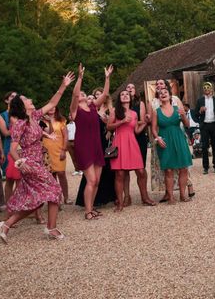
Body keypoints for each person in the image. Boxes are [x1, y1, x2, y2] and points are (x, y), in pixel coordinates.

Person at [0, 71, 75, 243]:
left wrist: (64, 85)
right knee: (54, 191)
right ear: (23, 106)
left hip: (38, 162)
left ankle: (6, 225)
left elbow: (53, 102)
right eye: (26, 99)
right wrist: (20, 163)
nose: (30, 99)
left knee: (38, 200)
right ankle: (51, 229)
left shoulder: (35, 116)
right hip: (30, 164)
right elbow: (13, 149)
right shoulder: (20, 124)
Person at [70, 65, 114, 220]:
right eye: (81, 93)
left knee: (97, 180)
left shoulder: (93, 107)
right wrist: (80, 77)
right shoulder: (75, 110)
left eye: (84, 93)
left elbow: (105, 94)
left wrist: (107, 77)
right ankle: (87, 211)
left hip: (96, 146)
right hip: (84, 146)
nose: (82, 94)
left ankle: (91, 207)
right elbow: (75, 95)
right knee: (92, 179)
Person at [108, 90, 147, 211]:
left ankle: (145, 198)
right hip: (119, 142)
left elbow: (135, 131)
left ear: (130, 98)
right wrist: (122, 121)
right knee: (120, 174)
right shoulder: (115, 111)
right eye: (122, 95)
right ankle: (120, 203)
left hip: (132, 142)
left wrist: (145, 122)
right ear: (120, 99)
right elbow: (109, 126)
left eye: (126, 94)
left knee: (141, 171)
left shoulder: (134, 113)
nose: (124, 96)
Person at [152, 87, 192, 204]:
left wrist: (184, 115)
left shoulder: (178, 108)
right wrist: (157, 138)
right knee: (168, 170)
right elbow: (154, 129)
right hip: (164, 140)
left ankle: (182, 195)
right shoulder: (156, 111)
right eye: (160, 93)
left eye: (165, 92)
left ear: (170, 96)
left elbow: (187, 125)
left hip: (179, 139)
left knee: (183, 168)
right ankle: (170, 197)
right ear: (158, 98)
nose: (163, 94)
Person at [124, 83, 155, 206]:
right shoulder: (120, 107)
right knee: (124, 170)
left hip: (138, 137)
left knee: (140, 169)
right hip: (124, 138)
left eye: (132, 87)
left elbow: (143, 120)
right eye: (127, 88)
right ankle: (127, 197)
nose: (130, 89)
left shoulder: (140, 104)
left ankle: (144, 196)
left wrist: (131, 121)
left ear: (135, 91)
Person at [41, 106, 69, 204]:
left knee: (61, 173)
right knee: (51, 175)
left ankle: (66, 197)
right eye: (49, 107)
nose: (51, 109)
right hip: (47, 150)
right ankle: (56, 198)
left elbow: (66, 136)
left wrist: (64, 150)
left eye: (53, 107)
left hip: (59, 149)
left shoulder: (61, 120)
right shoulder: (41, 121)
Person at [193, 82, 215, 174]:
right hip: (204, 125)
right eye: (204, 88)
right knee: (204, 146)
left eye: (208, 88)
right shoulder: (200, 100)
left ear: (211, 89)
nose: (206, 90)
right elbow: (195, 114)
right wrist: (200, 112)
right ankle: (205, 167)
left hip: (214, 124)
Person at [0, 91, 17, 202]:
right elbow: (5, 133)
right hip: (9, 146)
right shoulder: (2, 116)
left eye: (16, 96)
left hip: (23, 147)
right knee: (10, 178)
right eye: (12, 96)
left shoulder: (22, 113)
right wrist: (18, 127)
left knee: (23, 179)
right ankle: (10, 204)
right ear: (6, 100)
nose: (14, 98)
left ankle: (20, 203)